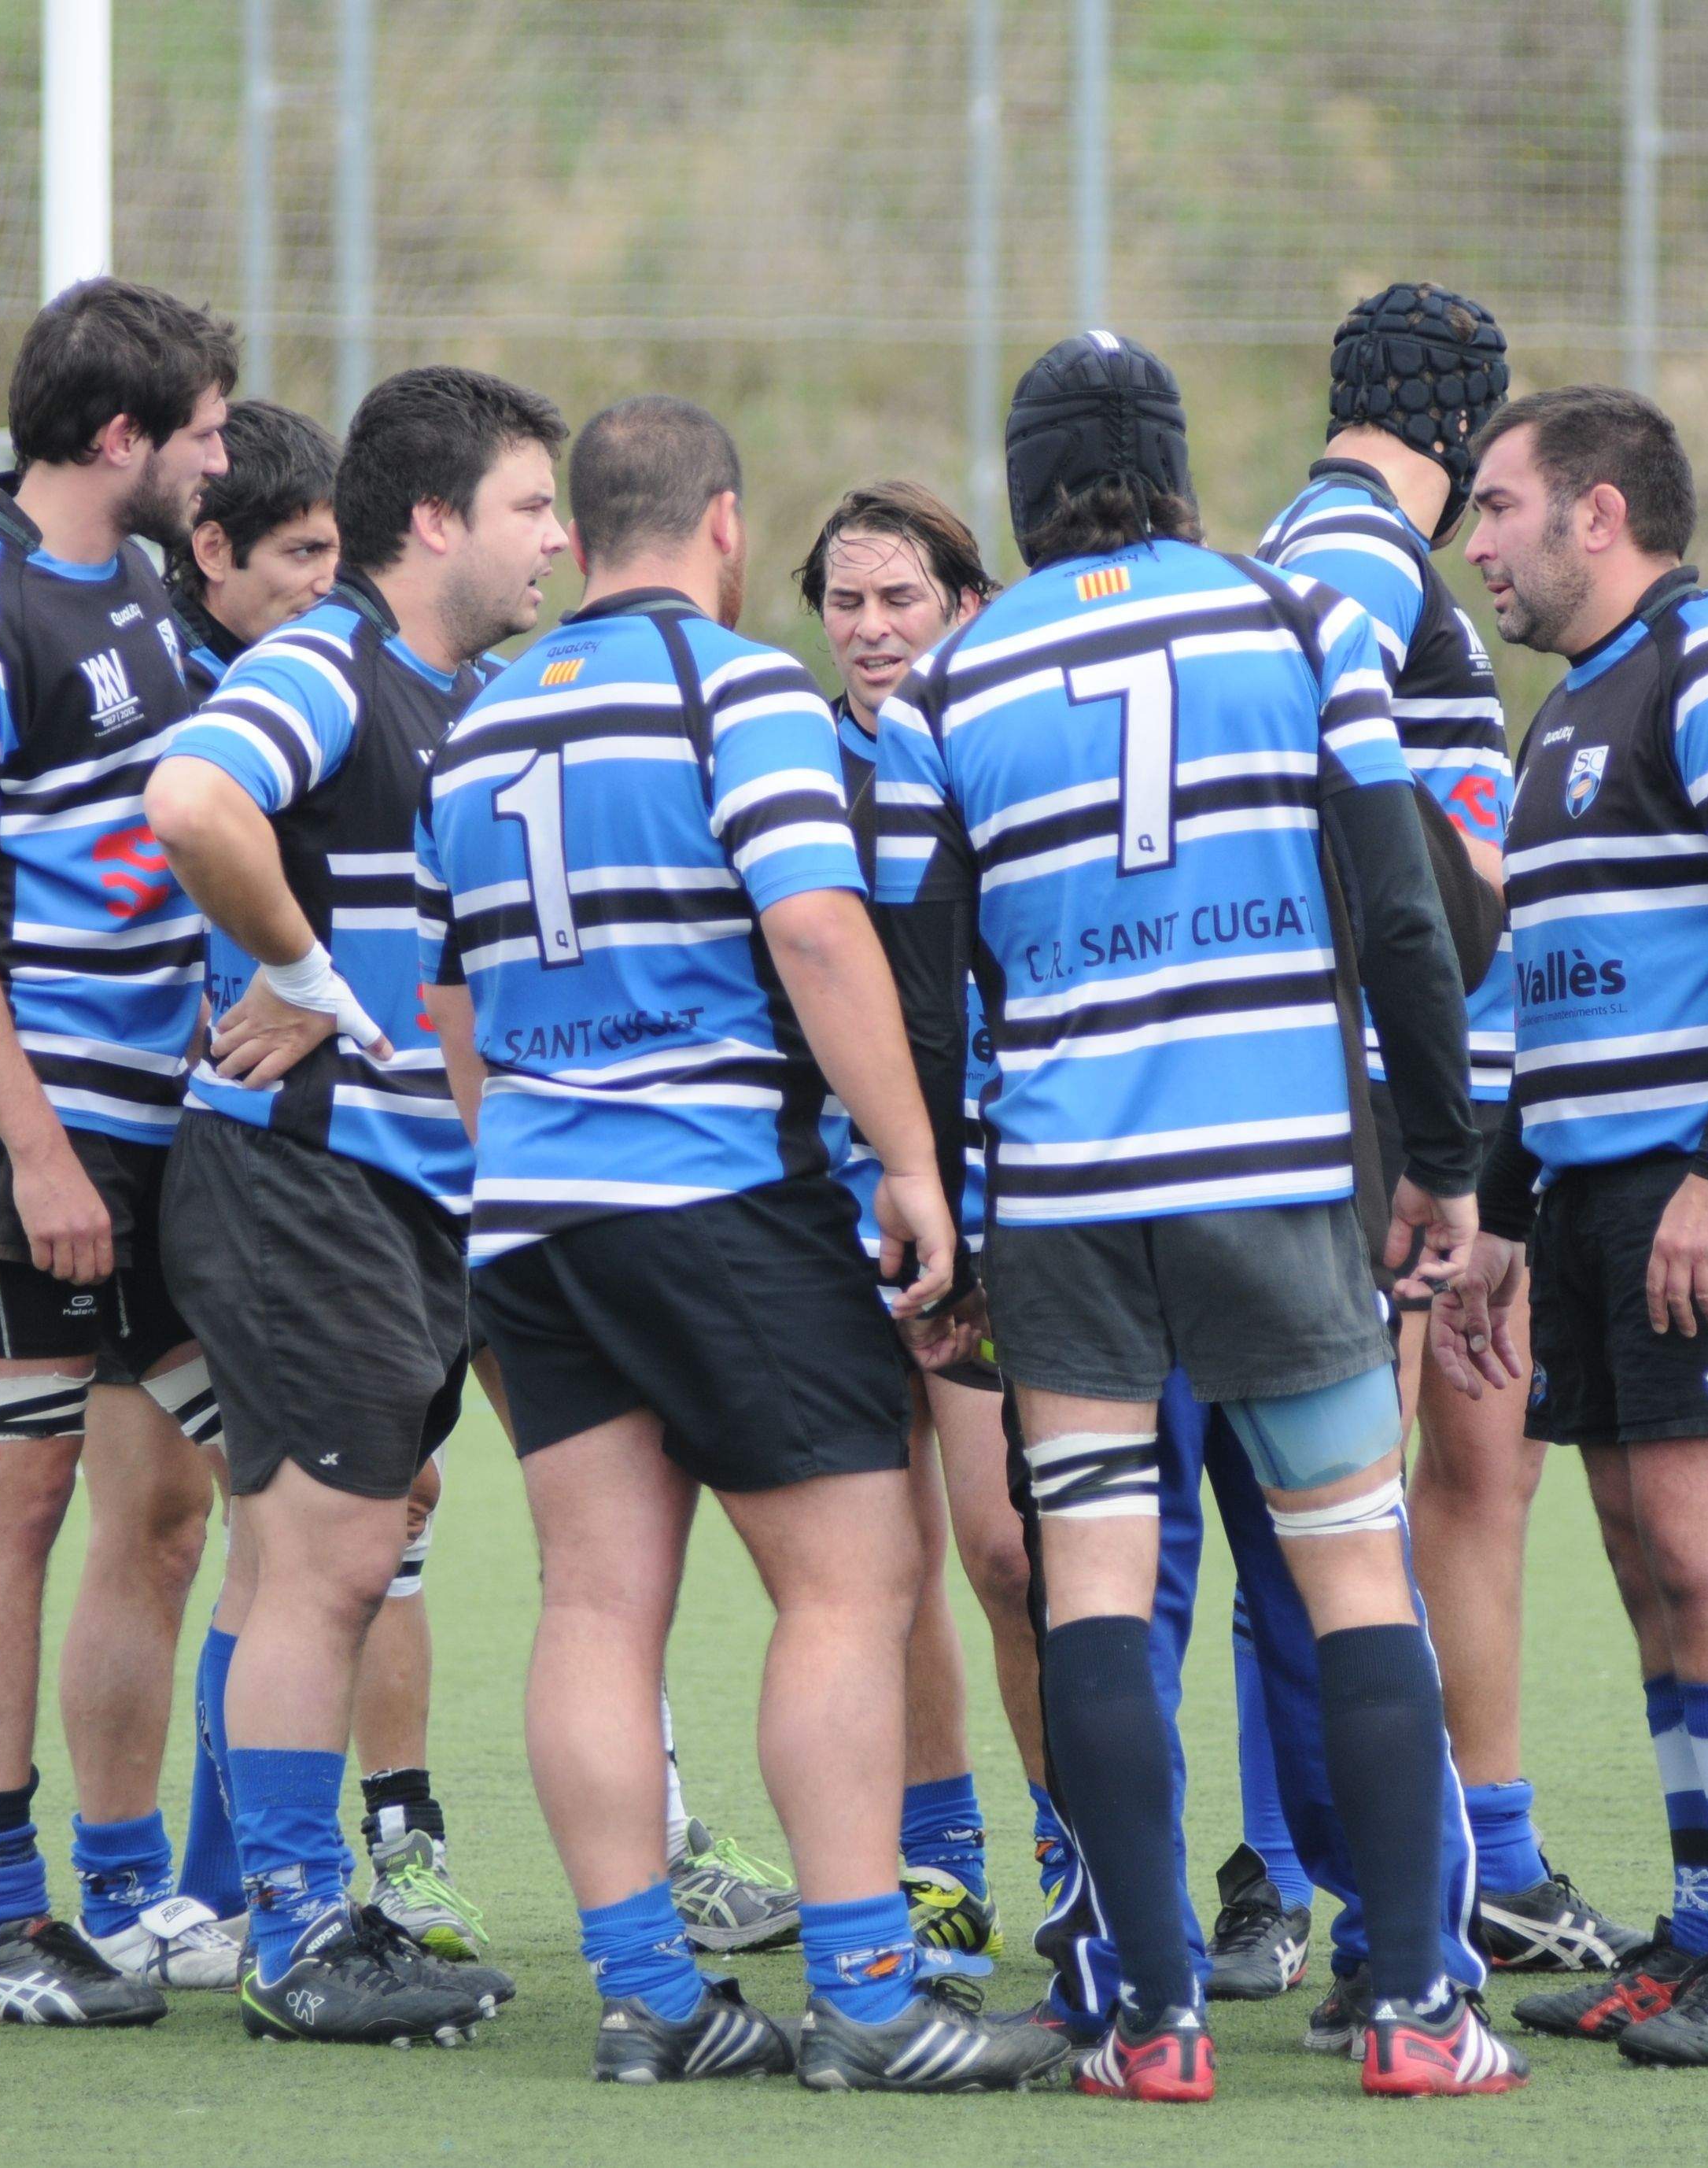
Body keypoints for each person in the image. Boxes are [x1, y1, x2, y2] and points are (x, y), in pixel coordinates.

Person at [872, 330, 1519, 2102]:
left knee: (1089, 1588)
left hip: (1067, 1199)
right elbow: (1401, 909)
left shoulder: (948, 684)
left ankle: (1147, 2019)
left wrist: (936, 1214)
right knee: (1343, 1564)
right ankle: (1413, 2010)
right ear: (1172, 469)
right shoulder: (1300, 625)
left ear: (1018, 492)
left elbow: (923, 995)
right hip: (1281, 1175)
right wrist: (1446, 1160)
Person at [417, 393, 1059, 2091]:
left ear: (591, 523)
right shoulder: (742, 689)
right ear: (717, 525)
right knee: (853, 1580)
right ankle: (866, 1995)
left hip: (533, 1216)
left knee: (594, 1605)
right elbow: (814, 930)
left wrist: (524, 1163)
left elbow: (452, 997)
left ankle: (651, 2000)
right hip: (716, 1194)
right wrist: (914, 1164)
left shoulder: (475, 722)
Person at [148, 364, 566, 2041]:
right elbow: (191, 798)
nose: (555, 541)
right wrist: (307, 973)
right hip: (300, 1173)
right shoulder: (328, 657)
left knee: (311, 1562)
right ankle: (294, 1930)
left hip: (391, 1189)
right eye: (531, 506)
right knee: (323, 1566)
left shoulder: (451, 697)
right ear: (437, 520)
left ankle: (280, 1910)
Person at [1459, 384, 1708, 2070]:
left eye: (1496, 507)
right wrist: (1498, 1213)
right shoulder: (1566, 712)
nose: (1474, 542)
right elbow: (1548, 999)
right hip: (1596, 1190)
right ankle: (1699, 1929)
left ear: (1597, 513)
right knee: (1646, 1562)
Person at [1245, 283, 1638, 2009]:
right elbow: (1356, 859)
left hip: (1419, 1104)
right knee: (1348, 1514)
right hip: (1394, 1122)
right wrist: (1438, 1132)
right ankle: (1381, 1904)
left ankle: (1461, 1864)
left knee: (1423, 1496)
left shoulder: (1318, 545)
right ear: (1466, 426)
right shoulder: (1350, 561)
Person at [0, 278, 240, 2022]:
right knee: (18, 1487)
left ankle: (154, 1891)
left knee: (282, 1482)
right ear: (120, 440)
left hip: (160, 1121)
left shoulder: (148, 586)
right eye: (206, 430)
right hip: (13, 1119)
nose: (221, 456)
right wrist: (38, 1153)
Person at [790, 481, 1038, 1963]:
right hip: (822, 1208)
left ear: (962, 599)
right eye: (845, 602)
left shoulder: (1006, 749)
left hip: (999, 1200)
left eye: (900, 599)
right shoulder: (789, 759)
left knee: (1009, 1552)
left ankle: (1083, 1855)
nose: (873, 630)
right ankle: (935, 1865)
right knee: (872, 1564)